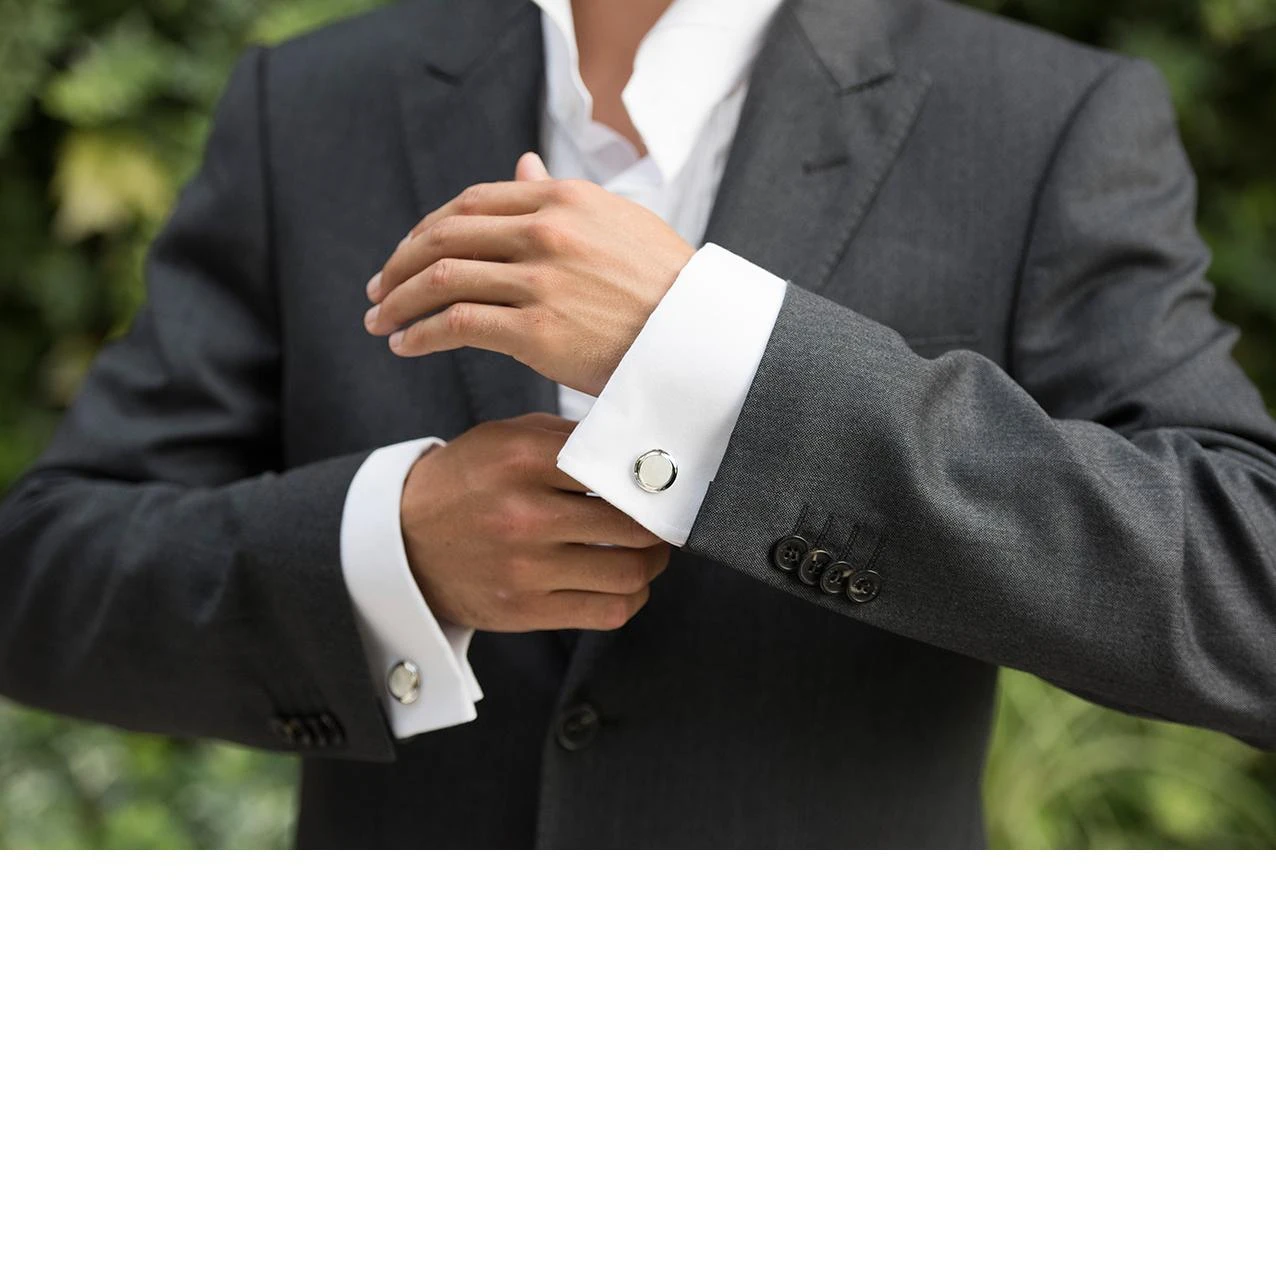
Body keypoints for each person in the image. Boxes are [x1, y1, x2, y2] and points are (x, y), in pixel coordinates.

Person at [1, 0, 1274, 849]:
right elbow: (45, 578)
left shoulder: (1042, 118)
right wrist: (392, 553)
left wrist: (708, 354)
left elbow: (1240, 585)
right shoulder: (312, 101)